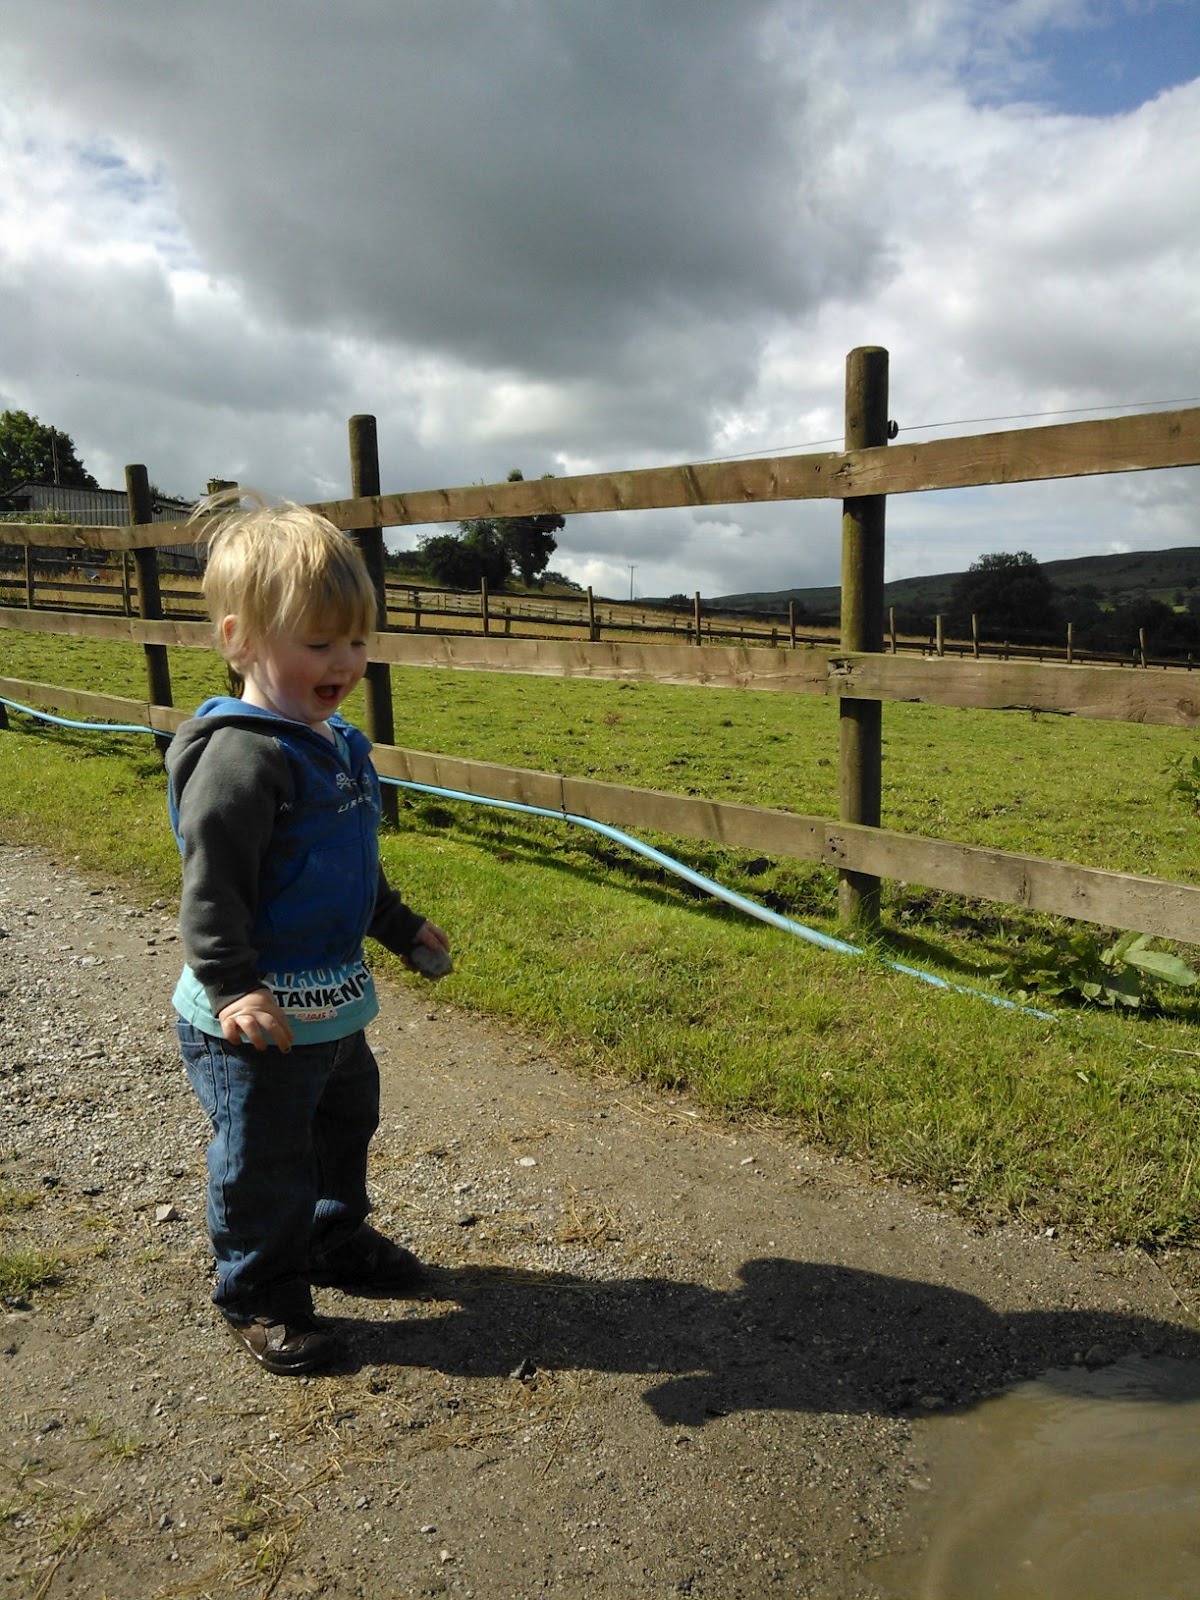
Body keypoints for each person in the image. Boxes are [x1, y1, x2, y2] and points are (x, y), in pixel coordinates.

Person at [166, 491, 451, 1376]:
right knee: (266, 1155)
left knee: (343, 1122)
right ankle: (260, 1290)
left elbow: (348, 866)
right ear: (240, 640)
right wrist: (232, 987)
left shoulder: (337, 744)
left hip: (330, 1004)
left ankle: (331, 1235)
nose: (345, 662)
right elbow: (213, 890)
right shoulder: (241, 758)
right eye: (319, 642)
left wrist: (398, 925)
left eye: (356, 640)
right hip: (253, 1017)